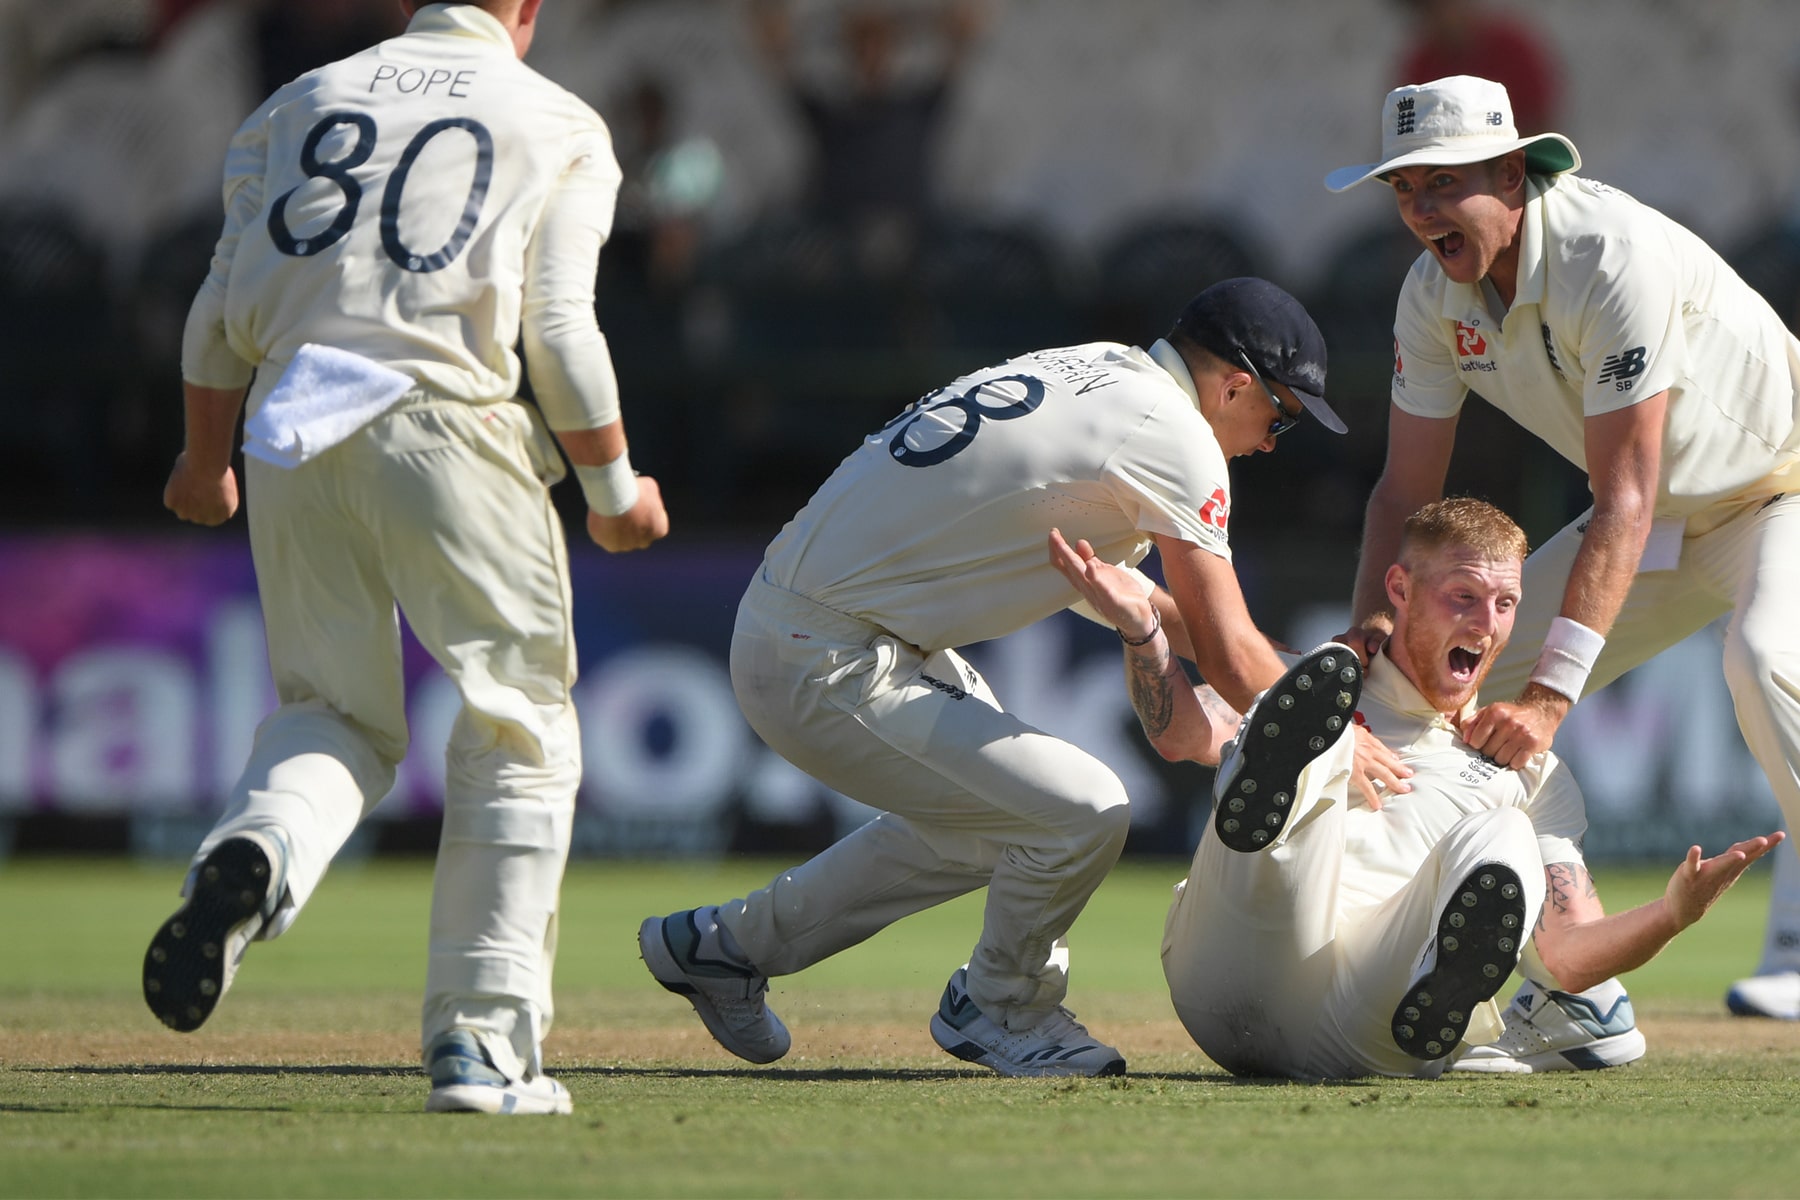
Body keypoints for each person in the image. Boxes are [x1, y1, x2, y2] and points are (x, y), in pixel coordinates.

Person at [140, 0, 669, 1116]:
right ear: (525, 10)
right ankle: (481, 1047)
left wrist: (203, 465)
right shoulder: (559, 119)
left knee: (332, 713)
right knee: (517, 727)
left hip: (290, 426)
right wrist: (615, 493)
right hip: (450, 427)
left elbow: (217, 313)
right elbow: (561, 336)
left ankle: (260, 848)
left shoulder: (296, 102)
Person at [638, 276, 1364, 1077]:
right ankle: (1001, 1005)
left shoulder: (1101, 373)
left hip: (820, 626)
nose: (1270, 442)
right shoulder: (1176, 438)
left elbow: (1159, 610)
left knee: (1000, 823)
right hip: (824, 651)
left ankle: (722, 949)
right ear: (1234, 384)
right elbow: (1229, 658)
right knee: (1082, 811)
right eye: (1282, 418)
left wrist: (1294, 686)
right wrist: (1334, 743)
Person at [1323, 75, 1800, 1052]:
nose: (1418, 210)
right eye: (1403, 189)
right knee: (1437, 685)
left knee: (1761, 662)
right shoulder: (1430, 296)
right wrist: (1375, 626)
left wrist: (1549, 700)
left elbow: (1623, 489)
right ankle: (1577, 984)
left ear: (1511, 171)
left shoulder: (1609, 254)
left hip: (1783, 486)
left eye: (1440, 184)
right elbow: (1401, 495)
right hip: (1664, 518)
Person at [1054, 496, 1782, 1079]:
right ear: (1398, 589)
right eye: (1462, 596)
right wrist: (1143, 630)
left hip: (1366, 1026)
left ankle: (1442, 989)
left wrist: (1671, 914)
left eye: (1504, 604)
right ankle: (1289, 784)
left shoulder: (1531, 773)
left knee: (1504, 833)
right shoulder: (1325, 683)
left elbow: (1567, 957)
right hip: (1233, 968)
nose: (1487, 624)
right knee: (1302, 732)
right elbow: (1182, 733)